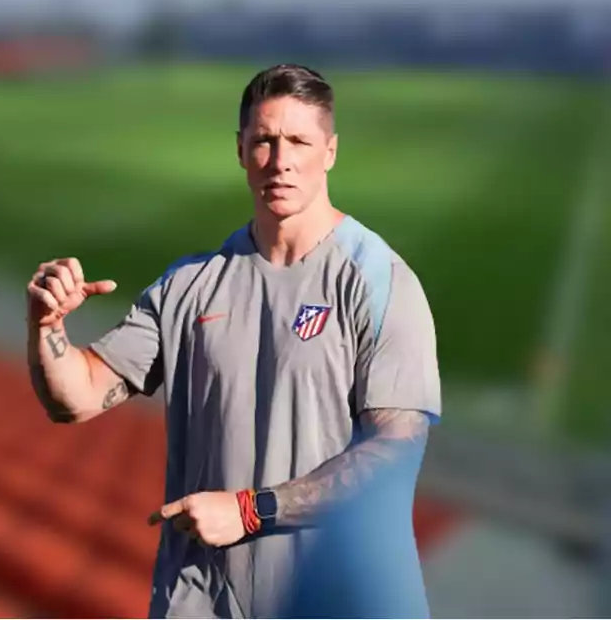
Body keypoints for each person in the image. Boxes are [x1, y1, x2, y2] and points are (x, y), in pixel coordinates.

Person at [25, 63, 442, 618]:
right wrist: (47, 328)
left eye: (299, 140)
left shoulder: (378, 280)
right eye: (264, 140)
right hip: (202, 599)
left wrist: (251, 511)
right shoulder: (189, 286)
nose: (281, 159)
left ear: (331, 151)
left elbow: (394, 455)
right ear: (241, 150)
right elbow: (74, 398)